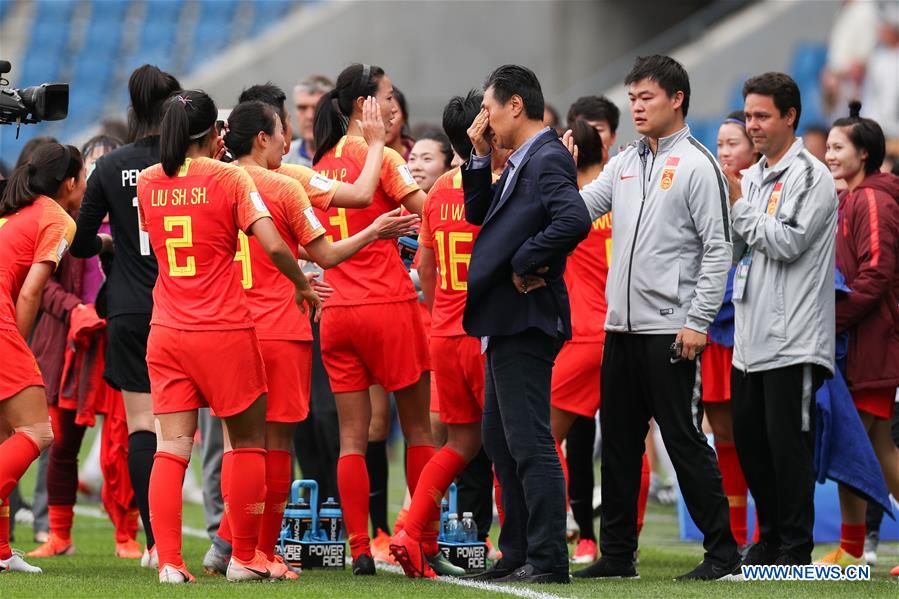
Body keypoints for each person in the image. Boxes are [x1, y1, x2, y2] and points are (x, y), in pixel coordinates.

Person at [221, 98, 418, 566]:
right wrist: (373, 230)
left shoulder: (208, 179)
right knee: (280, 447)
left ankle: (222, 546)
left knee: (222, 444)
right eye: (284, 131)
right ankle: (262, 552)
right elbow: (332, 243)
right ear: (263, 137)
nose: (291, 142)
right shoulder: (287, 182)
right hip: (285, 325)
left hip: (224, 325)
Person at [137, 89, 321, 583]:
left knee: (172, 447)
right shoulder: (230, 176)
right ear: (215, 135)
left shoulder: (151, 181)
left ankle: (170, 563)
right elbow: (274, 244)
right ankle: (244, 557)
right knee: (247, 443)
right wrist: (301, 283)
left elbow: (151, 241)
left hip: (167, 328)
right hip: (222, 328)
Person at [578, 55, 740, 581]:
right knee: (620, 446)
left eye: (646, 97)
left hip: (672, 329)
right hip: (619, 328)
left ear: (677, 100)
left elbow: (719, 250)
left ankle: (721, 553)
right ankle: (619, 556)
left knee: (684, 440)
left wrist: (697, 321)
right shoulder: (625, 161)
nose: (637, 107)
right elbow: (580, 209)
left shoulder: (698, 164)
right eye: (632, 98)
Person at [462, 64, 591, 584]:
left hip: (527, 317)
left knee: (530, 441)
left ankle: (546, 558)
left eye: (489, 109)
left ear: (516, 105)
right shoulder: (518, 159)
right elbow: (479, 214)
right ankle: (516, 552)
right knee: (501, 439)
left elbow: (574, 219)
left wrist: (524, 261)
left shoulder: (547, 156)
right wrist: (475, 157)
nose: (484, 121)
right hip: (504, 318)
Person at [311, 63, 433, 576]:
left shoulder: (320, 160)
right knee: (421, 429)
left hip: (335, 311)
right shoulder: (380, 157)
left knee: (352, 439)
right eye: (385, 96)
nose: (391, 104)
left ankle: (360, 546)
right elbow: (429, 210)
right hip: (387, 305)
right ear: (365, 105)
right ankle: (415, 539)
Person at [722, 72, 838, 567]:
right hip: (750, 337)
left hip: (794, 339)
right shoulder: (751, 178)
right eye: (748, 115)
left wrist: (737, 206)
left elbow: (788, 241)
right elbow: (737, 249)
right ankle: (768, 537)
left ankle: (794, 545)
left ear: (790, 116)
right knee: (750, 444)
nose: (752, 125)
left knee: (787, 447)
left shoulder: (812, 176)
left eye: (762, 115)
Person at [68, 65, 181, 568]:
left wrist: (112, 245)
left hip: (132, 307)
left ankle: (157, 544)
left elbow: (80, 241)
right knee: (188, 431)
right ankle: (233, 542)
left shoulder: (111, 168)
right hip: (186, 306)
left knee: (143, 428)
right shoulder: (188, 160)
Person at [390, 90, 503, 579]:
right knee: (515, 447)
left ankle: (409, 531)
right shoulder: (499, 184)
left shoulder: (439, 192)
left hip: (445, 331)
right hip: (487, 335)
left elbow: (429, 271)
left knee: (458, 445)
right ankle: (521, 548)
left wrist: (444, 318)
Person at [27, 134, 143, 561]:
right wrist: (75, 309)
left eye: (110, 166)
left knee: (127, 442)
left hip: (118, 341)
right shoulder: (66, 221)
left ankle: (126, 534)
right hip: (68, 344)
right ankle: (59, 534)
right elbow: (44, 284)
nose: (102, 175)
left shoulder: (137, 218)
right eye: (94, 166)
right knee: (60, 444)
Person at [816, 102, 899, 568]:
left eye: (837, 147)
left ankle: (851, 550)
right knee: (879, 446)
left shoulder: (871, 198)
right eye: (826, 146)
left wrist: (833, 318)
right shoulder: (852, 196)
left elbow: (877, 273)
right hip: (864, 340)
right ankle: (850, 548)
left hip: (872, 341)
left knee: (854, 446)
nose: (828, 155)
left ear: (863, 153)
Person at [549, 119, 626, 566]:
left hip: (583, 336)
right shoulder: (626, 198)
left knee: (539, 437)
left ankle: (556, 529)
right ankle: (619, 541)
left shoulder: (572, 204)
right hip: (623, 333)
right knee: (629, 441)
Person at [0, 142, 80, 574]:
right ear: (70, 182)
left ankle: (0, 553)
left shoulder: (22, 212)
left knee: (2, 438)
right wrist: (20, 345)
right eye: (83, 179)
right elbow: (32, 291)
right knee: (38, 431)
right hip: (2, 325)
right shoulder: (56, 218)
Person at [708, 111, 759, 549]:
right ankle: (736, 535)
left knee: (756, 434)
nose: (724, 152)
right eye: (720, 144)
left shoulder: (764, 188)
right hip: (711, 327)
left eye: (733, 143)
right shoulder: (706, 187)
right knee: (723, 434)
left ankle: (768, 535)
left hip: (749, 327)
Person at [284, 75, 334, 166]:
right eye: (302, 108)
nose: (309, 116)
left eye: (317, 108)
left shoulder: (352, 154)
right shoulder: (281, 159)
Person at [387, 85, 415, 159]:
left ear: (404, 117)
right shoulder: (360, 158)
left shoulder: (418, 156)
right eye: (378, 113)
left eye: (392, 113)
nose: (384, 121)